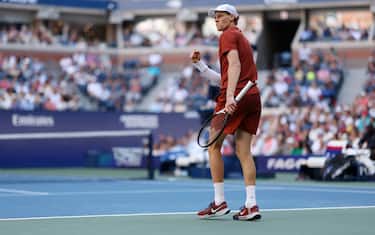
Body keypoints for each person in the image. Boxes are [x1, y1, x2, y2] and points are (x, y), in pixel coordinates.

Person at [191, 4, 262, 221]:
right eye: (216, 17)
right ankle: (251, 204)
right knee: (243, 152)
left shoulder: (228, 35)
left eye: (221, 16)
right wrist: (200, 66)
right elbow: (225, 77)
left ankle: (219, 202)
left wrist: (230, 97)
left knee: (213, 146)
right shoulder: (240, 38)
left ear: (233, 18)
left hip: (236, 97)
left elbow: (234, 66)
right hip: (252, 95)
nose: (217, 19)